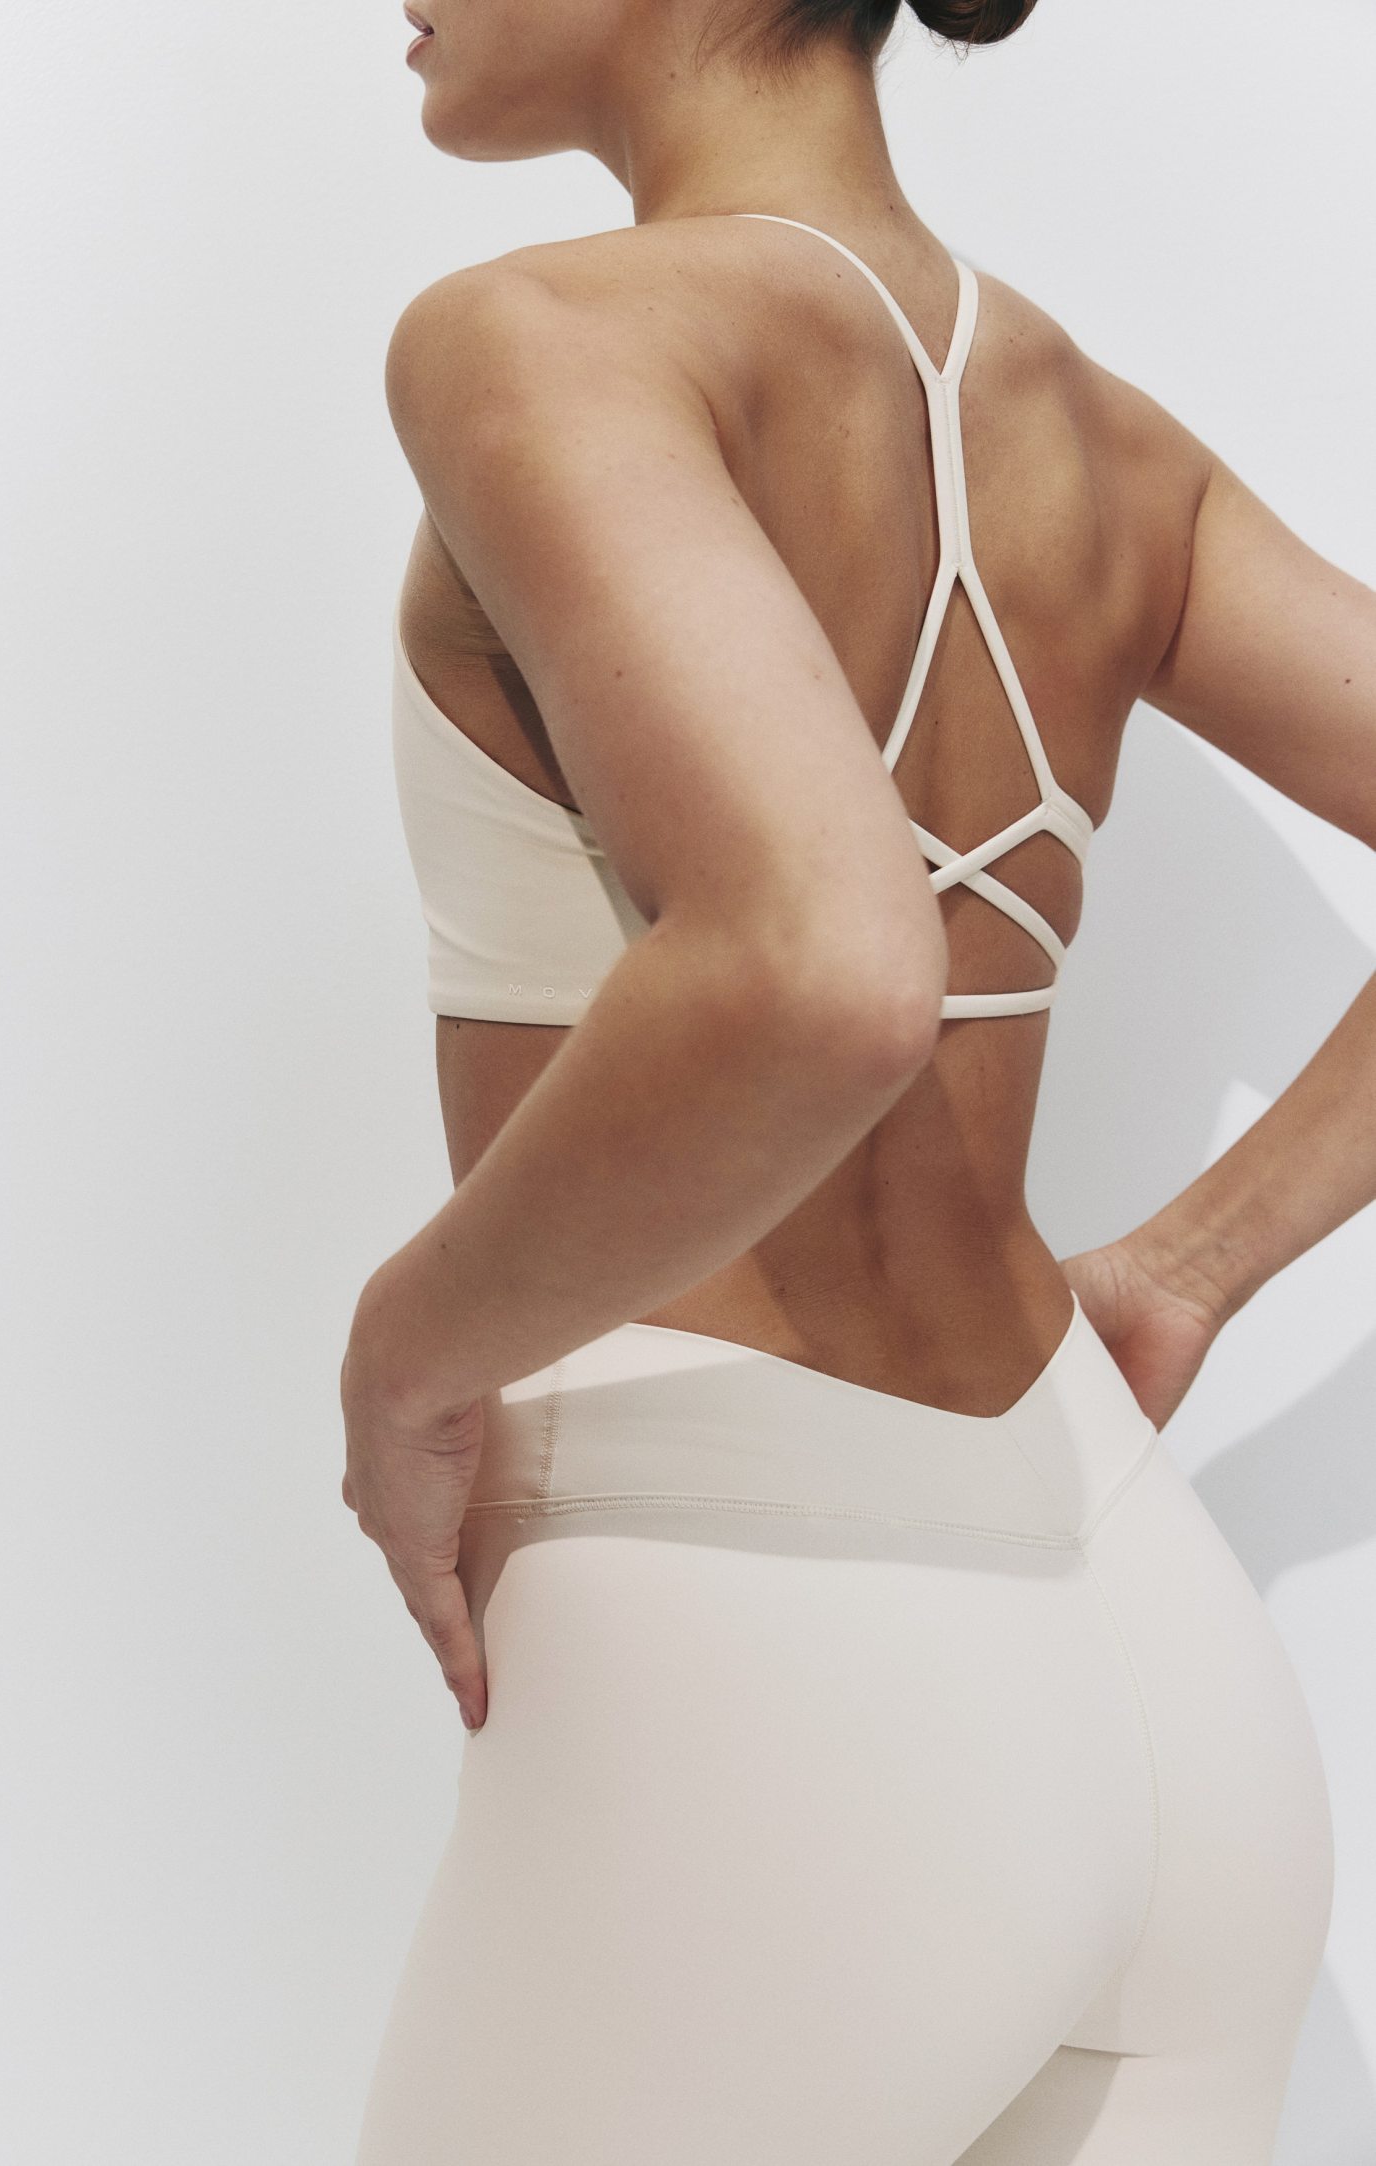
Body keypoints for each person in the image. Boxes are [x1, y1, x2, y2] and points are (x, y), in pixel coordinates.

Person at [341, 0, 1373, 2156]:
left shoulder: (539, 341)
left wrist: (408, 1361)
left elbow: (820, 963)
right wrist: (1189, 1267)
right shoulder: (1099, 442)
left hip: (770, 1643)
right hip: (1164, 1673)